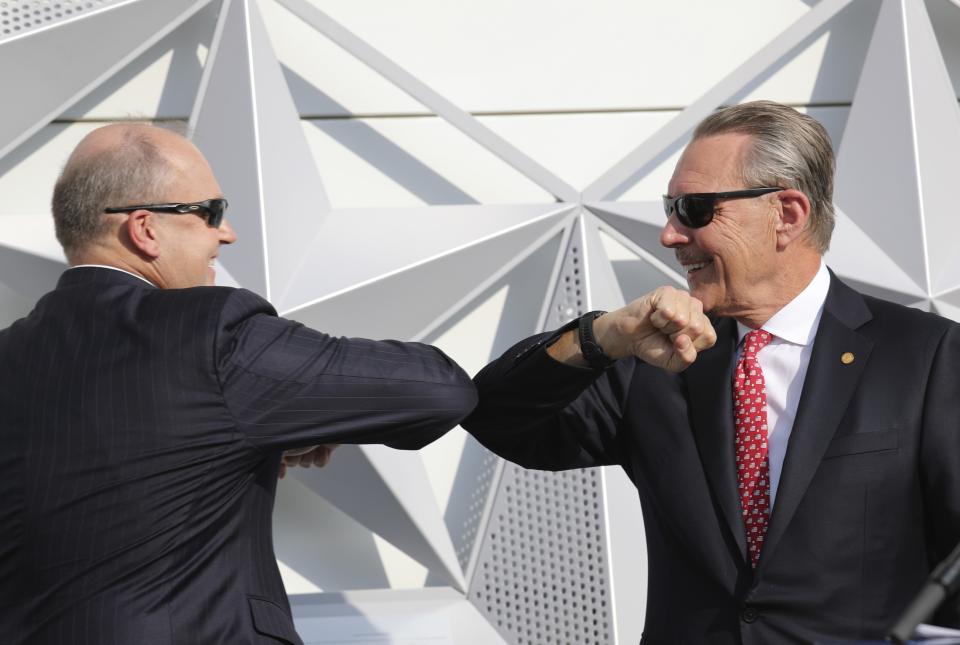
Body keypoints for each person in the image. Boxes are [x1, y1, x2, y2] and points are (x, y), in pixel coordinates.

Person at [461, 100, 960, 644]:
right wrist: (598, 336)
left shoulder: (925, 355)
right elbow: (495, 418)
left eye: (694, 208)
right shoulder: (654, 358)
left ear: (787, 215)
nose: (671, 235)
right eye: (670, 209)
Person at [0, 123, 477, 644]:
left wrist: (254, 437)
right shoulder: (210, 333)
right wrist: (311, 419)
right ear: (145, 229)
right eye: (210, 212)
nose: (225, 234)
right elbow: (439, 391)